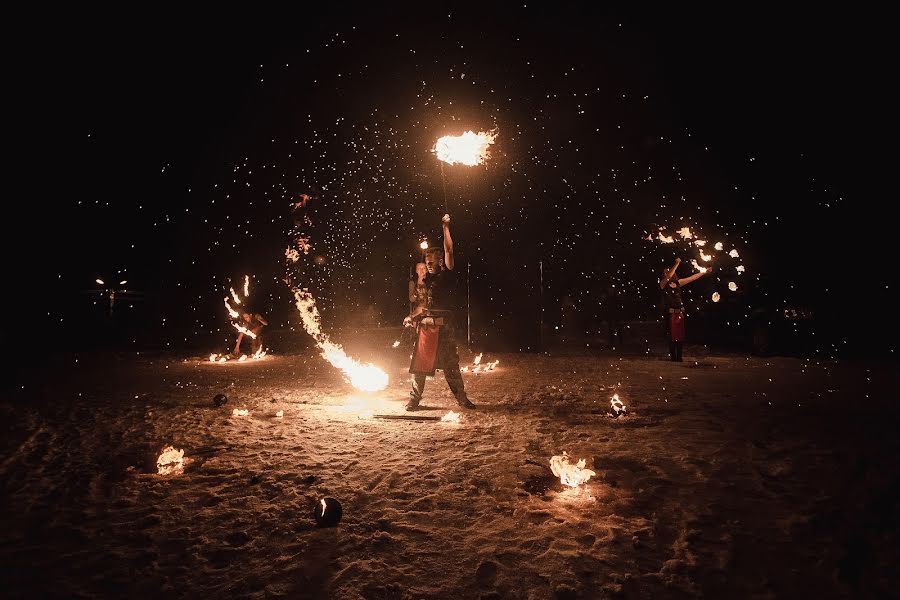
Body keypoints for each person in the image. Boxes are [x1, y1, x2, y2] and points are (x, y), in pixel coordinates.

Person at [406, 214, 476, 410]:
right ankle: (414, 400)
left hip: (444, 329)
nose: (429, 263)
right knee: (419, 366)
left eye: (433, 260)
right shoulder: (426, 282)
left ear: (441, 262)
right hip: (426, 328)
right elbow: (425, 305)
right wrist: (412, 316)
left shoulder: (448, 275)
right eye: (427, 260)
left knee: (451, 366)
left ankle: (462, 399)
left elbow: (449, 249)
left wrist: (445, 227)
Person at [659, 258, 708, 361]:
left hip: (680, 313)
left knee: (680, 335)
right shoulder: (663, 284)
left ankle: (679, 356)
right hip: (669, 313)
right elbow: (668, 277)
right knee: (672, 336)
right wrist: (676, 263)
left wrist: (704, 272)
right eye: (666, 271)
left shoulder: (678, 283)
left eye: (669, 270)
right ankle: (673, 357)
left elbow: (692, 278)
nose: (668, 272)